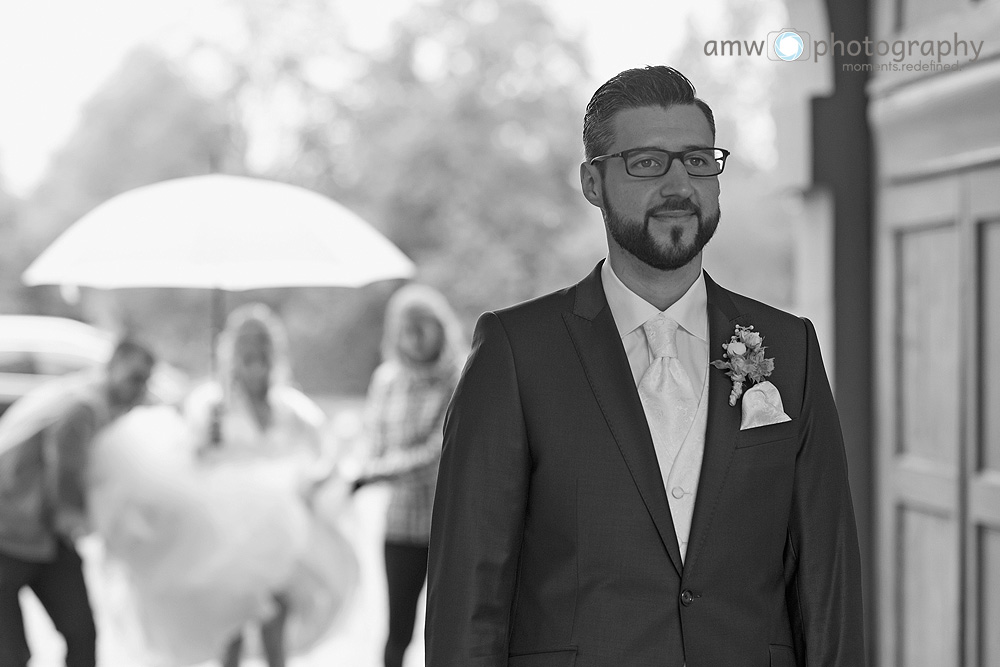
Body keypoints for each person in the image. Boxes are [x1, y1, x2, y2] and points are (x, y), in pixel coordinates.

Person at [425, 66, 866, 666]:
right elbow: (467, 594)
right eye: (647, 163)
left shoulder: (789, 350)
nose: (680, 183)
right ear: (592, 182)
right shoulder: (515, 352)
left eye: (698, 160)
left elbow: (827, 579)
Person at [182, 302, 348, 667]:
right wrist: (207, 441)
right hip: (229, 534)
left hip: (278, 535)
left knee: (275, 621)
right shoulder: (211, 406)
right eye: (247, 354)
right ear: (233, 357)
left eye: (263, 354)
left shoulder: (289, 407)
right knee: (232, 627)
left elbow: (327, 449)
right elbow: (192, 463)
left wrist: (314, 480)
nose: (255, 364)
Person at [0, 339, 155, 667]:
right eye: (134, 378)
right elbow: (66, 468)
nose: (138, 388)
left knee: (81, 635)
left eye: (144, 380)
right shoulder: (85, 406)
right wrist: (74, 519)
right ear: (113, 366)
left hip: (43, 537)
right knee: (12, 653)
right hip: (11, 531)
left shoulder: (91, 398)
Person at [353, 284, 465, 667]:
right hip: (400, 526)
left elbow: (442, 453)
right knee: (396, 631)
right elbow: (372, 443)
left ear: (441, 327)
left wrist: (375, 474)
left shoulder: (462, 376)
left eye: (423, 326)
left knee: (450, 634)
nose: (415, 338)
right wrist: (371, 468)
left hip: (449, 527)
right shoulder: (387, 381)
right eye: (406, 328)